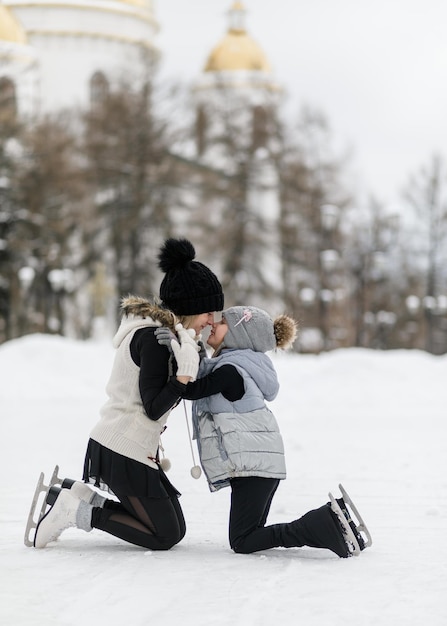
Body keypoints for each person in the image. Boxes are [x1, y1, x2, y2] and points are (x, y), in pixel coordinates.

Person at [33, 238, 224, 550]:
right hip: (123, 447)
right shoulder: (154, 340)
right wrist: (183, 376)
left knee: (175, 527)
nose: (211, 321)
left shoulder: (170, 339)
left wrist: (192, 360)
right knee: (165, 535)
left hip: (130, 446)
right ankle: (76, 511)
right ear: (191, 308)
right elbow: (152, 408)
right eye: (208, 312)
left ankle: (75, 494)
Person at [180, 306, 366, 557]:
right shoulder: (237, 367)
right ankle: (334, 522)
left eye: (221, 322)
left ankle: (325, 523)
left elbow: (190, 389)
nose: (213, 324)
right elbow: (201, 379)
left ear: (240, 335)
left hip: (253, 469)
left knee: (242, 540)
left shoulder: (231, 371)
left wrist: (180, 349)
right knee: (250, 533)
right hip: (259, 466)